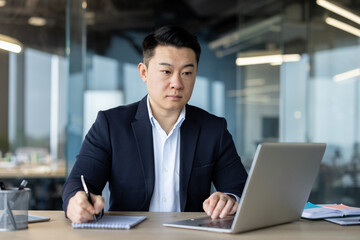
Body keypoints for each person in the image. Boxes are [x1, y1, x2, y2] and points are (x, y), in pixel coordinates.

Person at [62, 26, 248, 223]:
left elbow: (240, 189)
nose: (177, 83)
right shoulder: (110, 125)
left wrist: (229, 199)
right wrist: (77, 202)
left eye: (186, 73)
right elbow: (78, 184)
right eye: (166, 71)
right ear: (144, 72)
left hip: (190, 235)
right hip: (131, 237)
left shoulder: (213, 129)